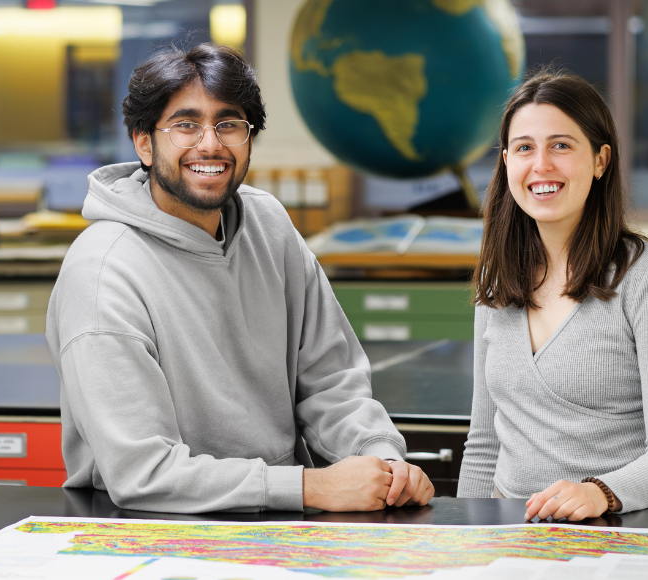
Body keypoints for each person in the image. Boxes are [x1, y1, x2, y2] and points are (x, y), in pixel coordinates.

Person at [46, 43, 434, 513]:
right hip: (153, 529)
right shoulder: (104, 270)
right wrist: (311, 488)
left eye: (228, 124)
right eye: (185, 124)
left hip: (280, 519)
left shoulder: (269, 225)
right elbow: (142, 473)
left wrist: (381, 461)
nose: (210, 143)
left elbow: (331, 382)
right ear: (144, 143)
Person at [457, 69, 648, 521]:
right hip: (514, 543)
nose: (541, 165)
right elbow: (484, 443)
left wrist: (600, 493)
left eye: (561, 145)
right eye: (525, 148)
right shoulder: (497, 276)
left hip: (620, 535)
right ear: (507, 161)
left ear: (600, 160)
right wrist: (468, 537)